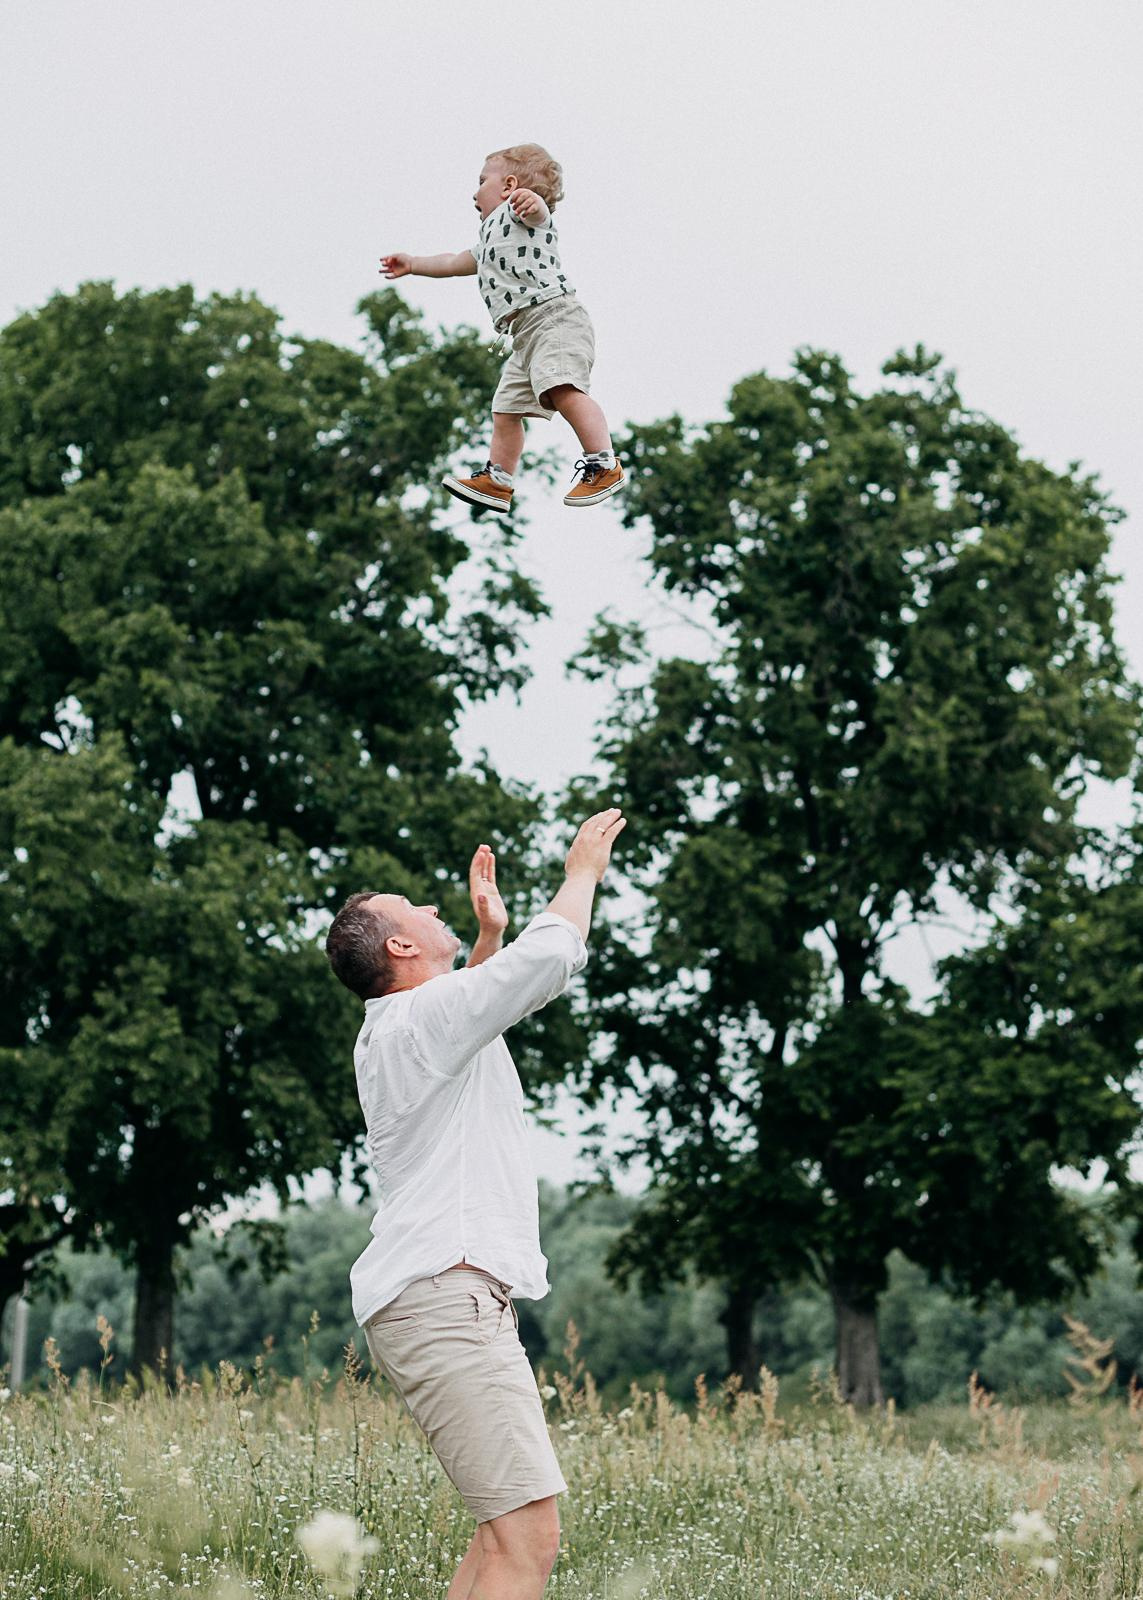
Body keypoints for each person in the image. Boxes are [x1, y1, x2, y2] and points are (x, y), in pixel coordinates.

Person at [324, 809, 627, 1600]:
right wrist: (581, 872)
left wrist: (485, 941)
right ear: (398, 946)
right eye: (416, 911)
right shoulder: (418, 1020)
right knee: (528, 1538)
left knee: (499, 1538)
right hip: (445, 1298)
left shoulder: (399, 1029)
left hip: (434, 1299)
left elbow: (475, 1010)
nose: (433, 911)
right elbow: (550, 957)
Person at [380, 142, 625, 514]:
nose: (474, 191)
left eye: (482, 181)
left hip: (554, 319)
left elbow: (541, 216)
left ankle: (604, 463)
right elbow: (450, 262)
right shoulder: (487, 240)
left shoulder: (522, 214)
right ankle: (498, 480)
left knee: (562, 387)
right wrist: (413, 263)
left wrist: (533, 201)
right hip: (524, 337)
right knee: (505, 409)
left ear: (509, 186)